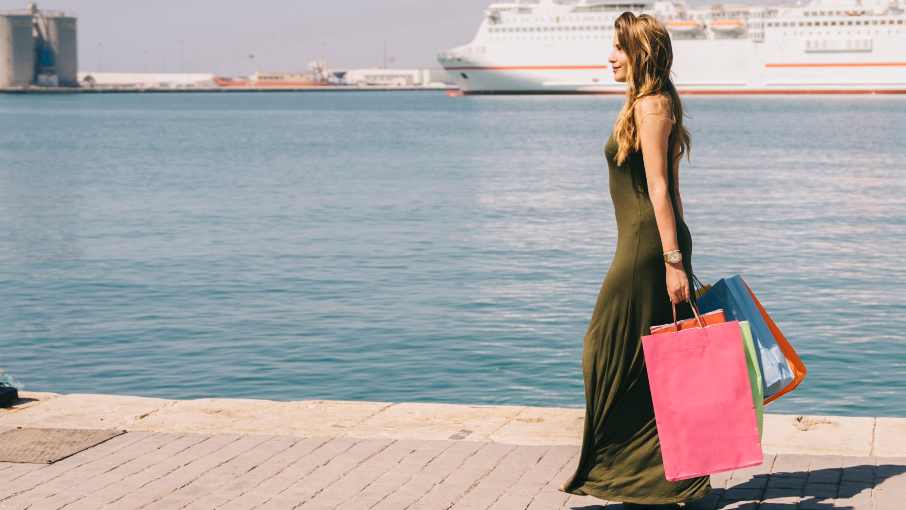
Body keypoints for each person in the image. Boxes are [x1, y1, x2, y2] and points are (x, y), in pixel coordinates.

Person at [557, 11, 712, 509]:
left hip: (647, 248)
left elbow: (663, 188)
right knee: (649, 361)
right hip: (652, 244)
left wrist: (673, 260)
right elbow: (673, 189)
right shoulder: (646, 104)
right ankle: (654, 478)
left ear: (640, 53)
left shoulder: (651, 107)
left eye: (618, 48)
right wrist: (683, 252)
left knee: (604, 349)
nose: (609, 56)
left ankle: (637, 473)